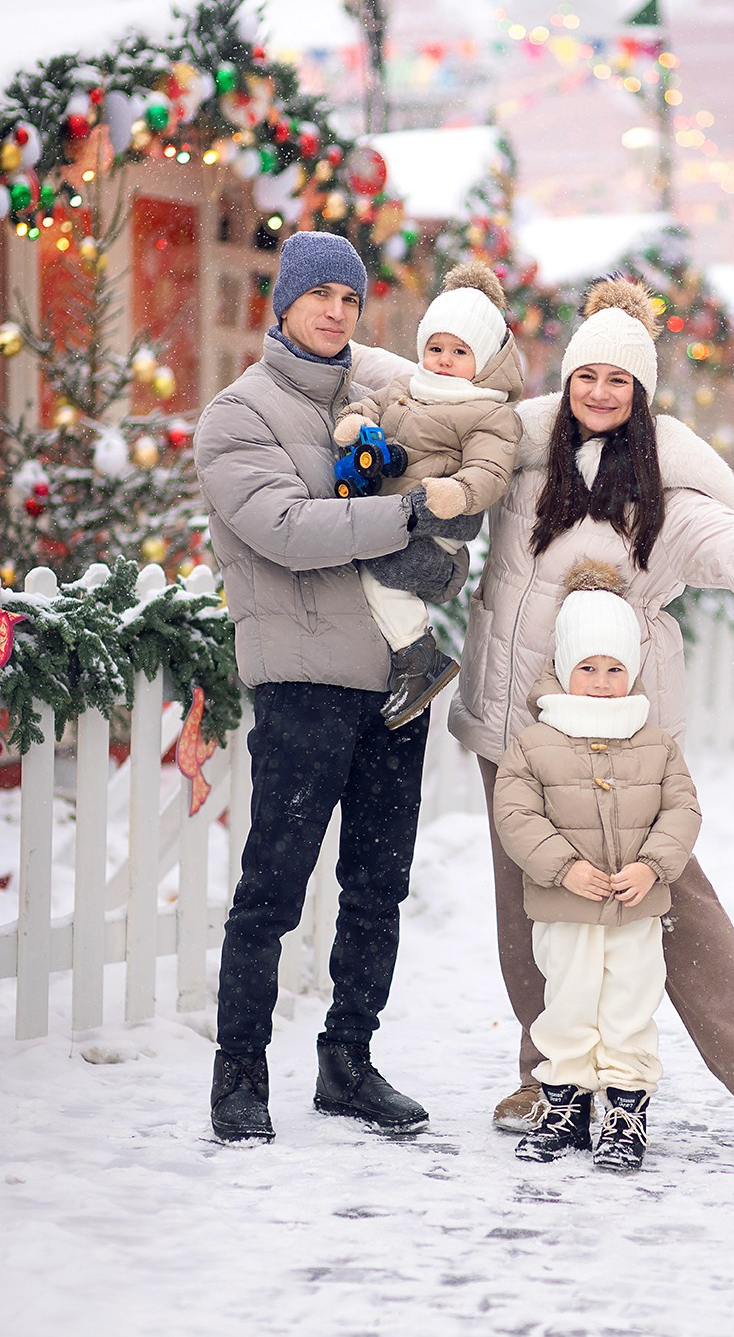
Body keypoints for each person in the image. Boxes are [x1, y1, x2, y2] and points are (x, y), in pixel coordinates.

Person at [448, 276, 734, 1162]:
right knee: (532, 910)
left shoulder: (665, 492)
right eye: (586, 374)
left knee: (673, 910)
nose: (597, 393)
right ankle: (552, 1073)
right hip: (515, 727)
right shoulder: (515, 459)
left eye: (617, 381)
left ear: (641, 393)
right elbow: (425, 403)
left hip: (618, 741)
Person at [194, 230, 472, 1144]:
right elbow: (285, 527)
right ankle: (239, 1075)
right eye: (318, 297)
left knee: (377, 885)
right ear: (283, 305)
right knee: (272, 890)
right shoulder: (238, 415)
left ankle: (348, 1061)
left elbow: (457, 387)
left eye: (350, 301)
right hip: (304, 682)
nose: (335, 313)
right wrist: (406, 517)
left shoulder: (375, 395)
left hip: (396, 685)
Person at [493, 560, 702, 1171]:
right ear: (563, 669)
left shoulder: (653, 741)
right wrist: (562, 867)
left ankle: (626, 1113)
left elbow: (681, 808)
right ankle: (563, 1103)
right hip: (567, 907)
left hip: (635, 907)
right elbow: (517, 816)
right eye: (589, 667)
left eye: (615, 669)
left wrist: (653, 867)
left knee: (631, 1003)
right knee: (569, 1001)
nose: (604, 681)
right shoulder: (534, 743)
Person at [333, 261, 524, 730]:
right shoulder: (406, 386)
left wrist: (457, 492)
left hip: (435, 524)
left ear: (485, 361)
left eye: (459, 351)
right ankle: (400, 658)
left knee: (381, 575)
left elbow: (490, 469)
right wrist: (359, 419)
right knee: (364, 573)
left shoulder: (488, 411)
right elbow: (370, 405)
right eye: (436, 347)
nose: (443, 359)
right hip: (388, 514)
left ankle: (418, 658)